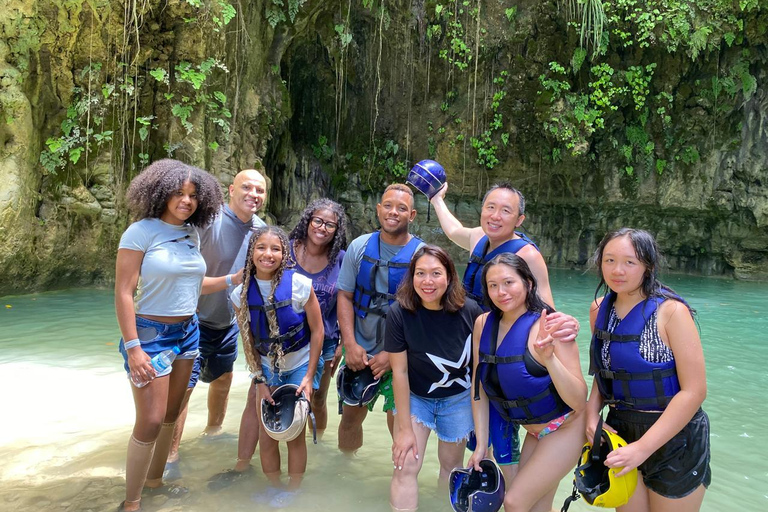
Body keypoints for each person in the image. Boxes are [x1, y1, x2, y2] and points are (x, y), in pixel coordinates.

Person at [430, 181, 571, 482]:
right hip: (476, 348)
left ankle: (511, 489)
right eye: (490, 208)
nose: (495, 215)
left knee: (505, 442)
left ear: (519, 220)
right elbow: (454, 231)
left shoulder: (527, 255)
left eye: (505, 211)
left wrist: (564, 326)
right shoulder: (481, 238)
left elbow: (545, 304)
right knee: (483, 438)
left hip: (508, 351)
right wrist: (436, 200)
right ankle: (487, 485)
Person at [115, 159, 228, 512]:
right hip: (151, 335)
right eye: (179, 193)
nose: (186, 201)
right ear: (161, 193)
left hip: (188, 332)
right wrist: (134, 348)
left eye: (193, 195)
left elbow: (194, 285)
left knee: (170, 414)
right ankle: (131, 503)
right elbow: (123, 291)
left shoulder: (191, 234)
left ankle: (155, 483)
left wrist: (234, 279)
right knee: (149, 421)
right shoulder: (140, 231)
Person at [586, 228, 710, 512]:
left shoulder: (671, 312)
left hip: (675, 437)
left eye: (630, 262)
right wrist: (591, 415)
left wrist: (642, 449)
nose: (618, 270)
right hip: (621, 430)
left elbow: (695, 391)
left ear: (648, 265)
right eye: (609, 260)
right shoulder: (598, 309)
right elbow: (606, 372)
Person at [166, 169, 268, 478]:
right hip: (193, 318)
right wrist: (228, 280)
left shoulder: (261, 230)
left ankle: (213, 430)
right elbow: (183, 274)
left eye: (259, 190)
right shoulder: (209, 221)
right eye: (247, 187)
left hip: (230, 321)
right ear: (231, 189)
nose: (253, 194)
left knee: (223, 379)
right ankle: (170, 455)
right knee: (184, 388)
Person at [470, 253, 587, 512]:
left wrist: (550, 359)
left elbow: (579, 400)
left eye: (509, 282)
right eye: (493, 285)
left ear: (528, 284)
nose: (501, 292)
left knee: (514, 502)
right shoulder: (482, 324)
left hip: (566, 428)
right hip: (535, 432)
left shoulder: (552, 325)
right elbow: (478, 389)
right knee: (537, 508)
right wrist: (481, 444)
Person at [227, 225, 324, 499]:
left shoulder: (300, 286)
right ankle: (273, 488)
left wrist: (309, 376)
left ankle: (293, 491)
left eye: (275, 249)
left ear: (285, 254)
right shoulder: (240, 295)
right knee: (267, 434)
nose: (267, 254)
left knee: (293, 433)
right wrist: (259, 381)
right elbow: (247, 341)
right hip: (267, 370)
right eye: (261, 248)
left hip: (299, 366)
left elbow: (318, 331)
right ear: (251, 253)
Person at [387, 245, 484, 512]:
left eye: (436, 273)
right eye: (420, 273)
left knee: (452, 468)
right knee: (405, 464)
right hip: (417, 398)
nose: (427, 281)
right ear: (411, 277)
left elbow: (479, 371)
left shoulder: (471, 312)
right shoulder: (399, 313)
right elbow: (400, 372)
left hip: (458, 399)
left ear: (450, 276)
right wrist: (404, 429)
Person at [336, 183, 424, 453]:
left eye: (402, 208)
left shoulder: (422, 256)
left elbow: (425, 313)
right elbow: (345, 297)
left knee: (399, 424)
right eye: (388, 205)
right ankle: (342, 474)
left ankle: (398, 483)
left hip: (401, 356)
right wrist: (349, 344)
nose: (393, 212)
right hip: (359, 351)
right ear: (378, 209)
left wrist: (393, 353)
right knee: (351, 419)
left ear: (412, 215)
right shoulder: (359, 247)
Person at [289, 199, 348, 436]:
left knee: (318, 397)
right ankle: (288, 439)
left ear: (337, 230)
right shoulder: (287, 249)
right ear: (308, 220)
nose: (322, 228)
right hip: (287, 339)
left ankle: (318, 445)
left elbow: (347, 302)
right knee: (286, 394)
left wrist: (342, 345)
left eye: (330, 225)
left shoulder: (341, 259)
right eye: (318, 221)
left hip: (325, 341)